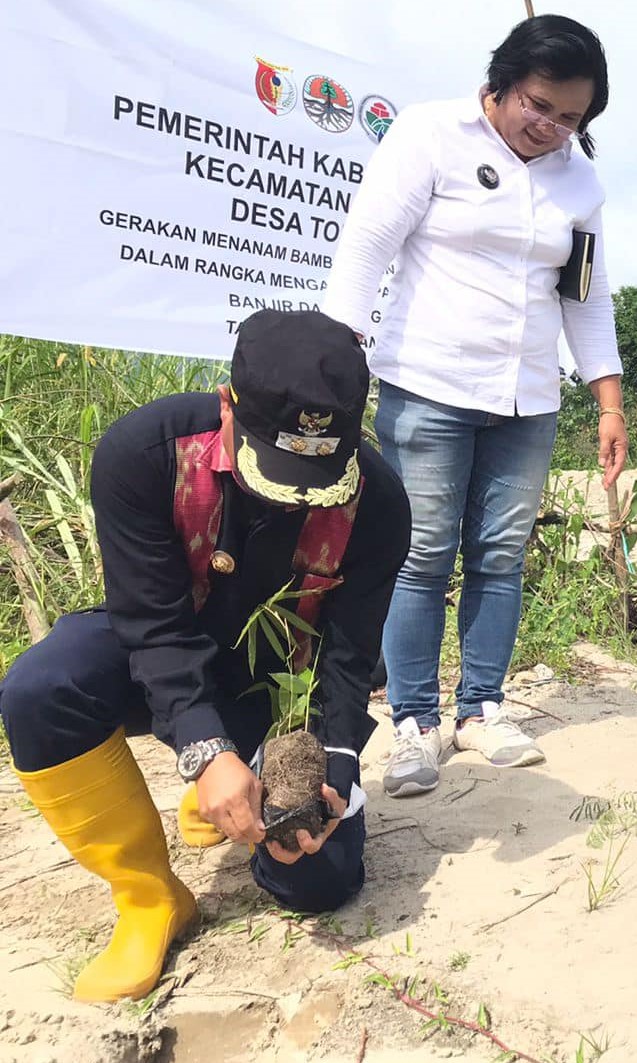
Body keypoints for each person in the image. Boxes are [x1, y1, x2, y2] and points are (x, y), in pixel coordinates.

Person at [0, 310, 409, 1002]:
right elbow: (151, 626)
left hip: (273, 683)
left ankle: (234, 798)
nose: (298, 499)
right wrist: (204, 749)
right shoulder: (144, 453)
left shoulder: (380, 502)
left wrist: (335, 768)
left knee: (318, 879)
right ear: (228, 405)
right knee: (41, 688)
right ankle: (150, 898)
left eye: (319, 477)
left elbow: (348, 656)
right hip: (163, 646)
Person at [322, 15, 627, 797]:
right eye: (540, 105)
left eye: (571, 118)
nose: (552, 127)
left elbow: (585, 298)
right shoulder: (430, 135)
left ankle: (483, 707)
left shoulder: (579, 181)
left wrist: (608, 400)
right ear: (499, 83)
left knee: (500, 555)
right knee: (419, 555)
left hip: (527, 400)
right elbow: (367, 245)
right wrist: (336, 355)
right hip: (428, 385)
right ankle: (415, 723)